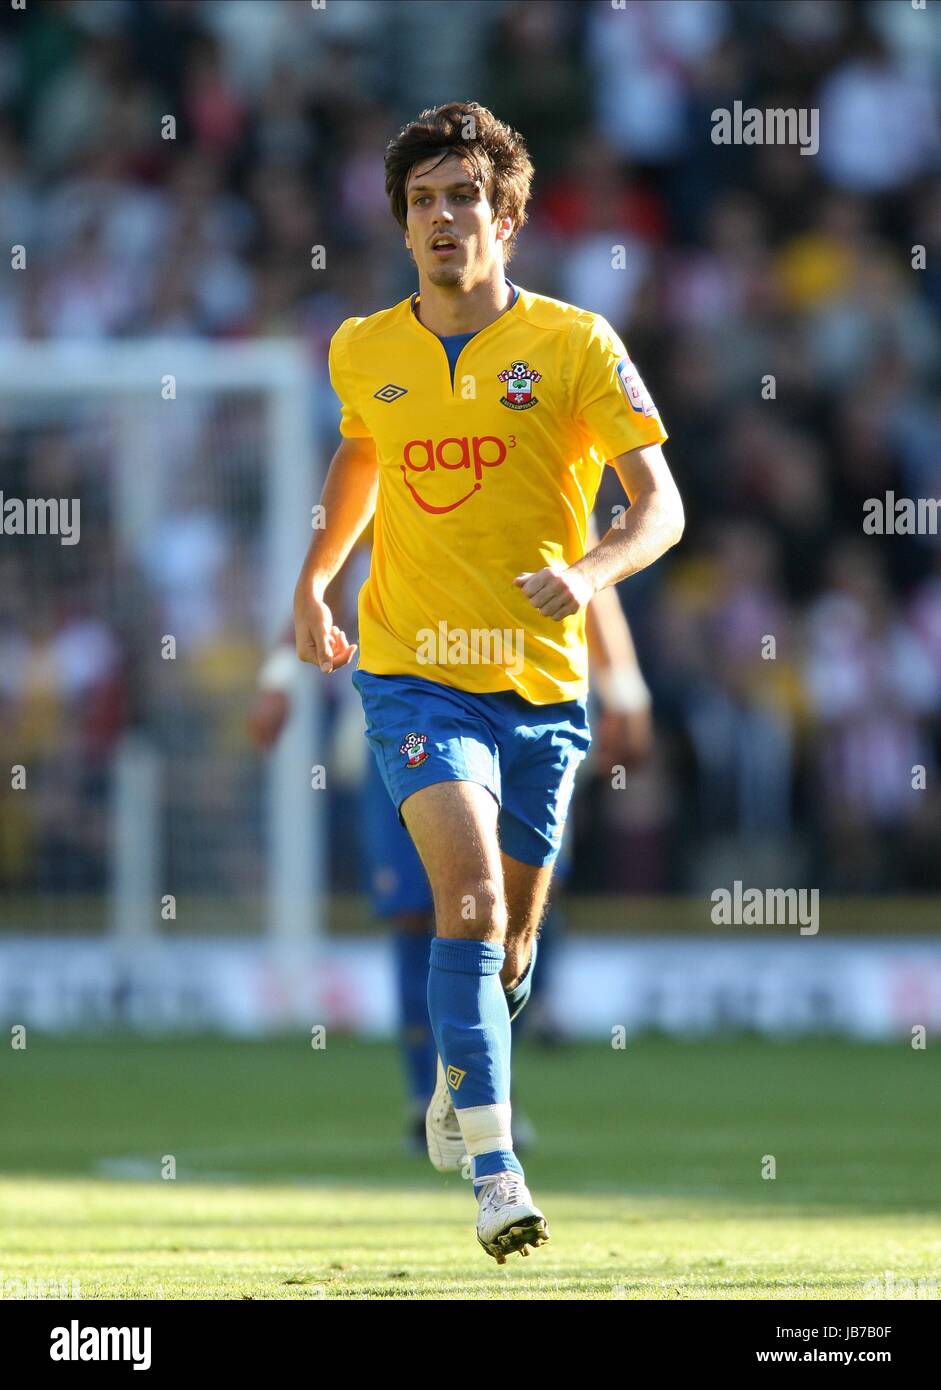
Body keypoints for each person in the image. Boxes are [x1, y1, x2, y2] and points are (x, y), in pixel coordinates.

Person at [292, 101, 683, 1263]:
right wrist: (314, 582)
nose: (442, 218)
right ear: (402, 225)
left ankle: (461, 1078)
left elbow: (657, 505)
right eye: (422, 201)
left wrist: (590, 565)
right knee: (458, 901)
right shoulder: (365, 347)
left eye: (463, 196)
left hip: (540, 686)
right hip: (414, 676)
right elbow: (362, 451)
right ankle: (496, 1170)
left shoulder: (573, 345)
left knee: (509, 942)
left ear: (505, 216)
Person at [249, 523, 655, 1149]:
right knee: (418, 913)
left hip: (526, 705)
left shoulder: (541, 447)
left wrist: (623, 684)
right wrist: (280, 674)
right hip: (408, 718)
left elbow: (592, 567)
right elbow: (321, 577)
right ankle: (429, 1099)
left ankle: (488, 1091)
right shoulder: (401, 450)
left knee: (512, 916)